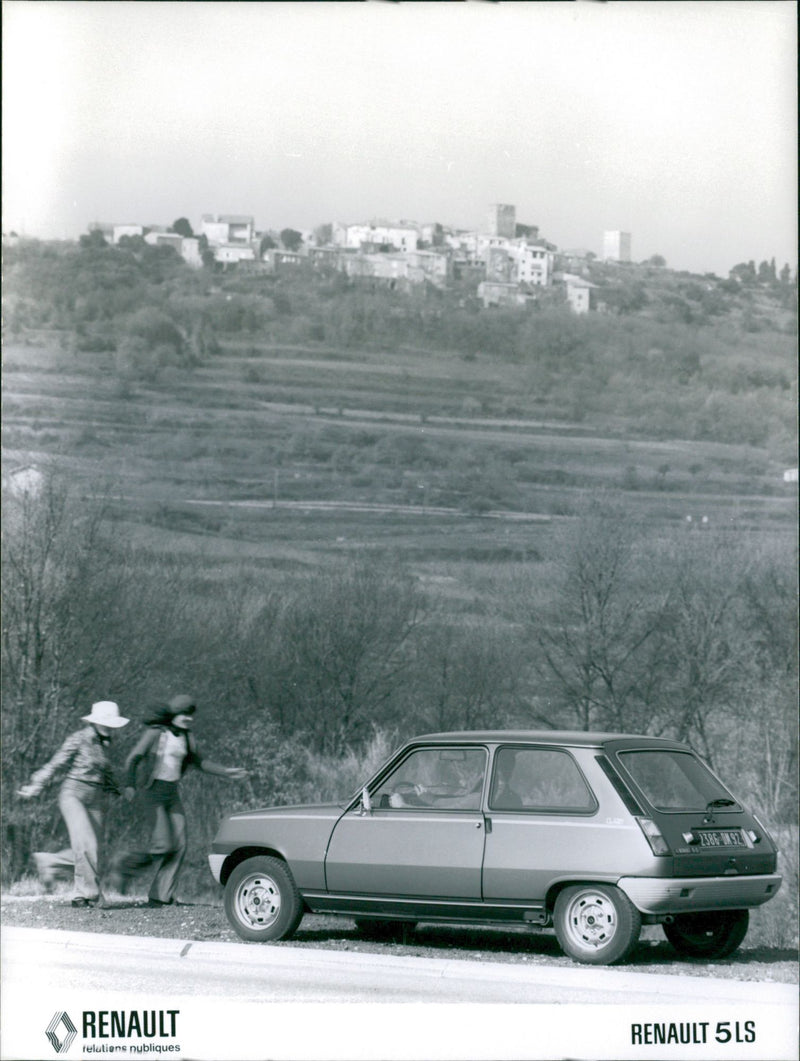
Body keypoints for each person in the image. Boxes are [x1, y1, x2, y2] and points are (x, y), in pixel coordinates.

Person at [112, 694, 247, 906]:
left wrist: (226, 772)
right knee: (164, 845)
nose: (189, 719)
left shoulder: (186, 737)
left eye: (191, 715)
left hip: (171, 793)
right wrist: (129, 785)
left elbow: (199, 762)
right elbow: (133, 758)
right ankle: (126, 866)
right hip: (152, 792)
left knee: (181, 845)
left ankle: (161, 895)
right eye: (185, 714)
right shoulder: (155, 733)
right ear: (174, 714)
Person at [17, 701, 130, 907]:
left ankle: (52, 865)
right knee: (88, 844)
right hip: (73, 794)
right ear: (94, 722)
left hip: (97, 799)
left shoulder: (110, 745)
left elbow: (110, 774)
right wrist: (36, 785)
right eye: (103, 722)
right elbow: (56, 763)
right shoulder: (79, 738)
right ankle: (91, 894)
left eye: (110, 723)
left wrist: (123, 790)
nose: (107, 726)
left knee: (93, 850)